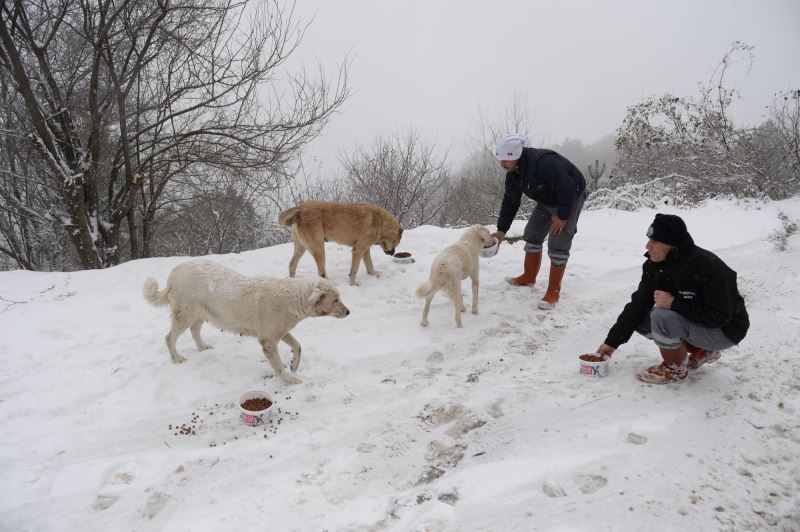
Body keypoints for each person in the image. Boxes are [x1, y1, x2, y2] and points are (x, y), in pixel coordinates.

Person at [596, 213, 749, 384]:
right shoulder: (654, 266)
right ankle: (701, 350)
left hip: (725, 331)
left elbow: (721, 317)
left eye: (655, 241)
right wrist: (611, 343)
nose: (648, 246)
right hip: (699, 323)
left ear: (673, 245)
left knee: (661, 316)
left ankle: (674, 368)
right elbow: (638, 304)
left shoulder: (708, 267)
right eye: (649, 239)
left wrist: (674, 304)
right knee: (639, 318)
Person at [490, 133, 587, 310]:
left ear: (515, 155)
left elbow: (568, 188)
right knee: (532, 234)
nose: (501, 164)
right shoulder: (514, 173)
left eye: (505, 160)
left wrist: (562, 216)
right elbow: (510, 202)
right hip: (547, 199)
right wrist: (501, 231)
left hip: (570, 197)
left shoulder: (544, 162)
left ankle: (553, 292)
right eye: (500, 160)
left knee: (558, 242)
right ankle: (529, 277)